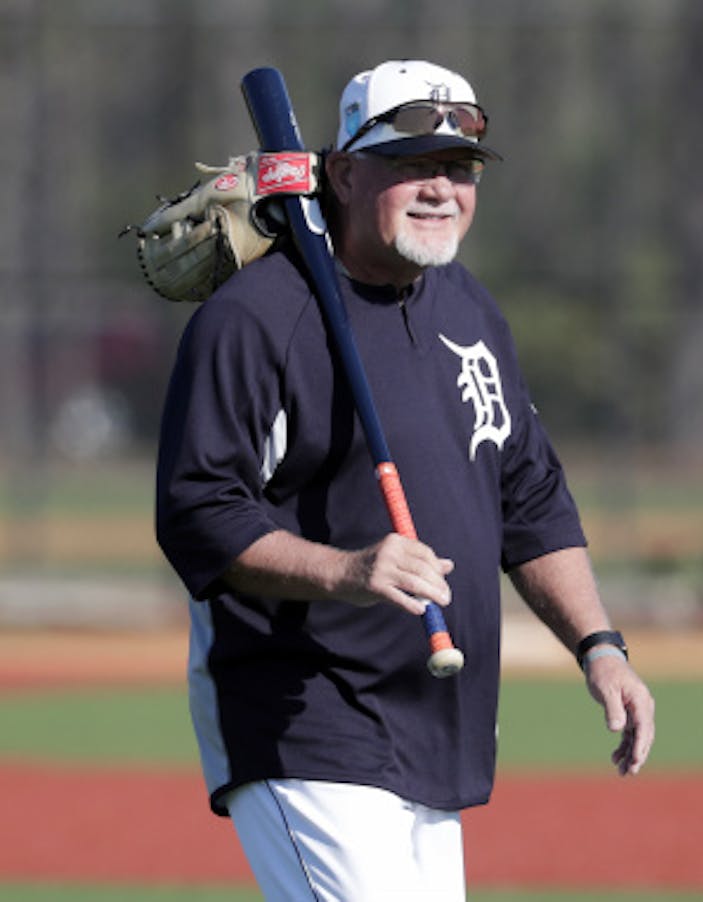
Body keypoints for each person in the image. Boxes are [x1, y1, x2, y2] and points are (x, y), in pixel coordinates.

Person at [154, 59, 654, 901]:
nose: (440, 189)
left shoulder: (469, 310)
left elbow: (529, 500)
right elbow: (197, 509)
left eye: (458, 170)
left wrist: (599, 646)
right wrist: (347, 571)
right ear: (343, 175)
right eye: (410, 165)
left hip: (436, 728)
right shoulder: (255, 320)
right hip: (306, 723)